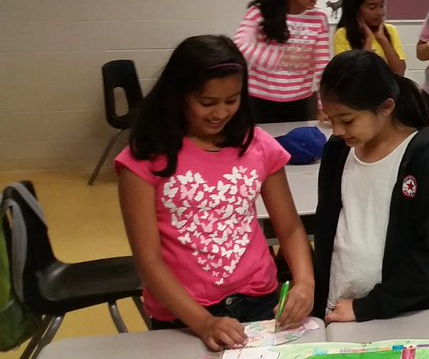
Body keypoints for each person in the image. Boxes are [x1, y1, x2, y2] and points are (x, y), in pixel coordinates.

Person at [115, 35, 314, 351]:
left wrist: (304, 283)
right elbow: (148, 260)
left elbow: (289, 228)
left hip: (260, 302)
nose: (220, 113)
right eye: (206, 103)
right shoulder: (145, 158)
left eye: (232, 100)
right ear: (178, 95)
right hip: (183, 315)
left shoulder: (257, 145)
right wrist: (202, 322)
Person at [311, 51, 429, 321]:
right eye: (331, 119)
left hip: (401, 315)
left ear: (386, 107)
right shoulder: (337, 151)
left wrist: (368, 307)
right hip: (339, 308)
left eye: (347, 119)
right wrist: (313, 293)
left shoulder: (423, 159)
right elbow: (326, 228)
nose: (338, 130)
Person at [234, 0, 330, 123]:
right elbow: (239, 46)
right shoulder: (260, 12)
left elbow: (322, 65)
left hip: (300, 101)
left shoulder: (319, 18)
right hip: (259, 100)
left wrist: (325, 106)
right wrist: (280, 57)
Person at [332, 0, 406, 76]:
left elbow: (399, 73)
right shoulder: (342, 34)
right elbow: (357, 77)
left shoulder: (390, 30)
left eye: (381, 6)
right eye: (372, 8)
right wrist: (368, 40)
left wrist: (382, 40)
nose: (379, 12)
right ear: (357, 11)